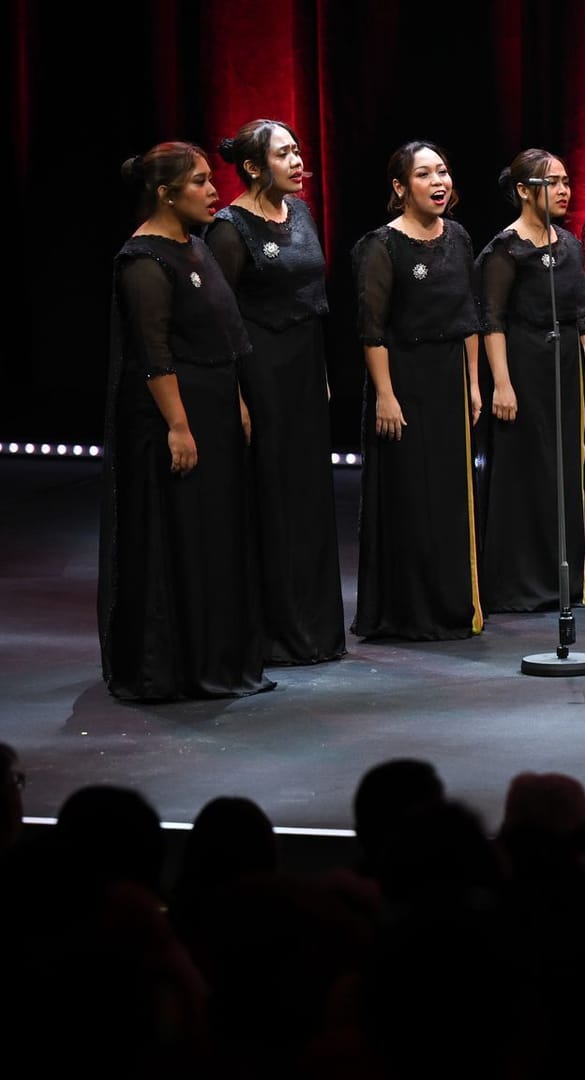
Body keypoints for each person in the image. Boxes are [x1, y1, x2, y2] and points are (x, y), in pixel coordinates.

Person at [100, 141, 275, 701]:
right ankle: (175, 664)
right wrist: (178, 425)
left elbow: (221, 332)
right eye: (199, 182)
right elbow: (154, 352)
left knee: (218, 531)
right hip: (175, 415)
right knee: (181, 532)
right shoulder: (145, 259)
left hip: (215, 405)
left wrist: (237, 401)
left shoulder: (195, 247)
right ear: (165, 193)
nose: (212, 190)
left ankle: (220, 655)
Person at [208, 119, 347, 662]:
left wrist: (323, 373)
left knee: (309, 491)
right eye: (284, 154)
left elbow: (310, 294)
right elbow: (218, 318)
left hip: (304, 366)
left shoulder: (302, 213)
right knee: (270, 493)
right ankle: (274, 630)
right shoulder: (229, 227)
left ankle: (314, 627)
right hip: (258, 369)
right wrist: (236, 393)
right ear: (253, 166)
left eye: (297, 152)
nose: (297, 162)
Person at [349, 141, 484, 641]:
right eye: (424, 174)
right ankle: (408, 611)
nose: (438, 182)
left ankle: (453, 604)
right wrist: (385, 394)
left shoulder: (460, 237)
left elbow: (469, 316)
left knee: (450, 495)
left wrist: (473, 384)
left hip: (449, 377)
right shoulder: (380, 246)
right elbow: (372, 328)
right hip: (403, 379)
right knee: (409, 495)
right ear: (400, 188)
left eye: (443, 172)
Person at [476, 149, 585, 611]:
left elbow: (579, 315)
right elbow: (491, 319)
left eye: (567, 181)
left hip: (565, 364)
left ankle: (566, 578)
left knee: (566, 471)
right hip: (525, 365)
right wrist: (502, 384)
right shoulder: (505, 249)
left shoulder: (567, 243)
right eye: (554, 182)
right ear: (525, 191)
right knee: (528, 469)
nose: (565, 190)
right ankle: (522, 581)